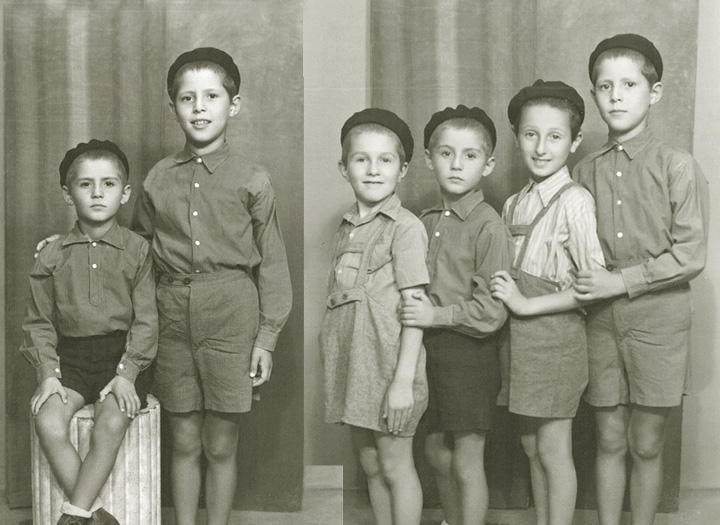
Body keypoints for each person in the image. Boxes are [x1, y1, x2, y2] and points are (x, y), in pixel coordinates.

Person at [132, 47, 293, 525]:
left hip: (232, 316)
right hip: (172, 317)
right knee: (182, 438)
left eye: (211, 96)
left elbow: (274, 266)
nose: (199, 107)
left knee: (220, 442)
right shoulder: (157, 178)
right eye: (187, 98)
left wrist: (266, 338)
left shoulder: (253, 179)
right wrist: (75, 238)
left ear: (234, 104)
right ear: (173, 108)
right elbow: (135, 251)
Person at [572, 34, 709, 525]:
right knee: (608, 438)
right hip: (600, 322)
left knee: (645, 443)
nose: (615, 95)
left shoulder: (678, 166)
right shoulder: (583, 172)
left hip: (660, 321)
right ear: (593, 96)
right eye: (604, 86)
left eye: (629, 84)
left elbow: (691, 255)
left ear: (654, 92)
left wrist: (621, 281)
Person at [21, 140, 158, 525]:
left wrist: (127, 374)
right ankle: (93, 515)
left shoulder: (137, 251)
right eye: (85, 185)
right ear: (67, 193)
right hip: (71, 359)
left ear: (125, 192)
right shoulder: (50, 255)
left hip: (121, 358)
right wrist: (48, 374)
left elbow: (147, 321)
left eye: (109, 184)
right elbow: (39, 321)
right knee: (47, 419)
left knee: (113, 420)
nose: (98, 193)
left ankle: (73, 517)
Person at [489, 81, 605, 525]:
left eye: (555, 136)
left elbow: (590, 285)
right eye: (530, 134)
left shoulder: (574, 201)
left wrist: (525, 305)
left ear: (574, 142)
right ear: (516, 135)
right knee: (530, 445)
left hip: (555, 340)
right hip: (517, 343)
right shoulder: (513, 203)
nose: (541, 147)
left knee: (554, 448)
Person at [400, 105, 513, 525]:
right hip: (427, 351)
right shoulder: (422, 221)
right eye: (446, 154)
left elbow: (491, 311)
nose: (457, 164)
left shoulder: (489, 225)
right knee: (433, 450)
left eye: (470, 155)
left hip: (470, 354)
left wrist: (437, 317)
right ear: (429, 160)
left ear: (488, 164)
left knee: (467, 458)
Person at [320, 108, 428, 525]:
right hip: (355, 365)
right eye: (361, 159)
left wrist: (403, 381)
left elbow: (415, 308)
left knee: (395, 464)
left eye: (385, 160)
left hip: (389, 367)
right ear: (344, 167)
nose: (373, 169)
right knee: (369, 463)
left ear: (403, 170)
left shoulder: (405, 228)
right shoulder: (347, 226)